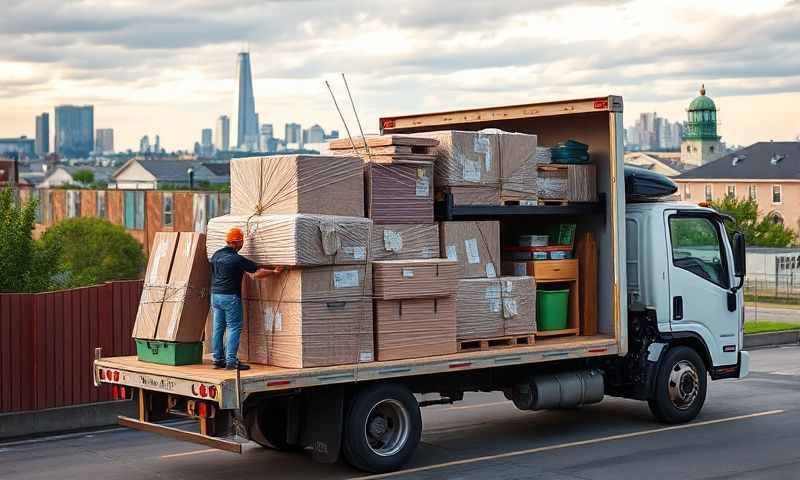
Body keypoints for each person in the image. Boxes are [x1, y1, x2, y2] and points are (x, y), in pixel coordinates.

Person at [210, 227, 280, 370]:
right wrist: (274, 271)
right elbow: (257, 273)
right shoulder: (236, 259)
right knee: (234, 327)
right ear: (237, 243)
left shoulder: (216, 255)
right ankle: (231, 361)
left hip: (215, 296)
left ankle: (218, 359)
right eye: (241, 242)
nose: (242, 244)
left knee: (218, 328)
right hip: (230, 297)